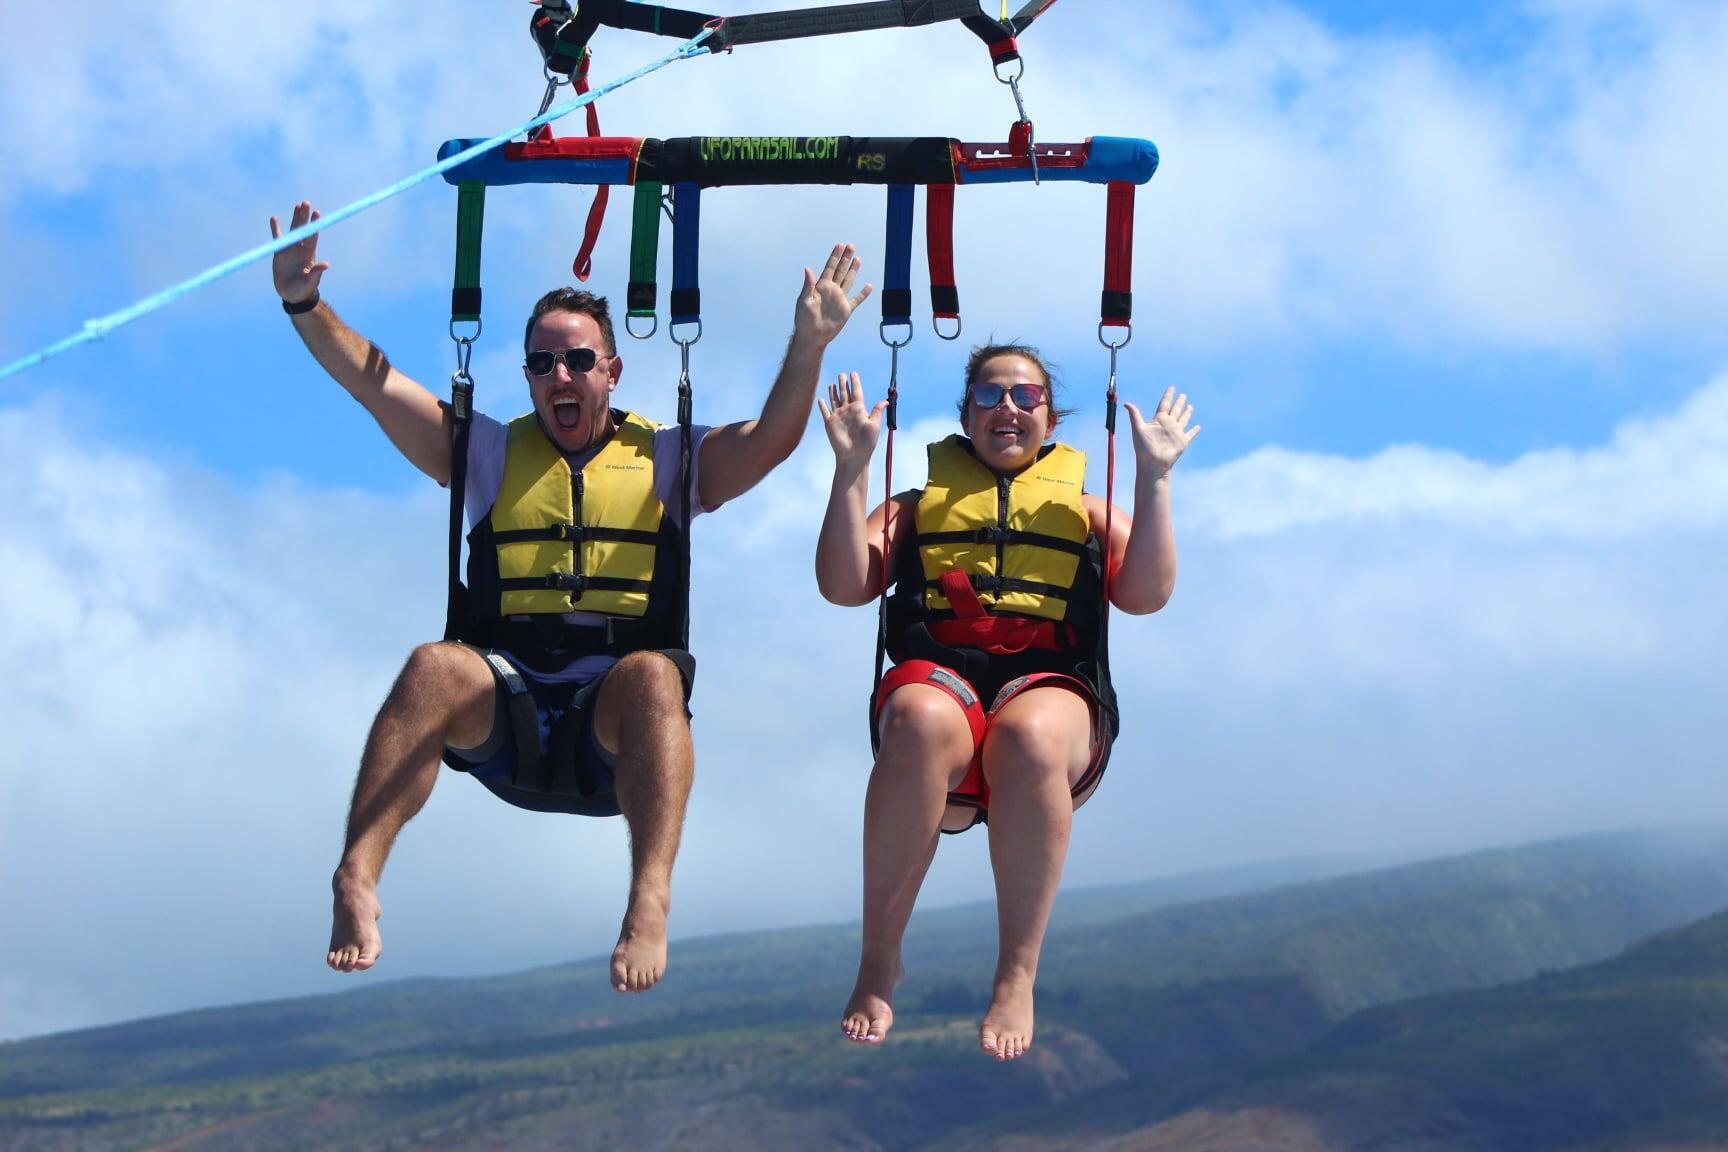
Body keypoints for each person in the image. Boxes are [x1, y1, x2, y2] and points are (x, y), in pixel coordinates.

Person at [269, 201, 871, 993]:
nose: (562, 376)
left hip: (611, 729)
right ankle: (355, 875)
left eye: (579, 361)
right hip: (506, 709)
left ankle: (648, 899)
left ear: (611, 372)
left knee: (658, 676)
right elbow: (372, 382)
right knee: (432, 665)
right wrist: (303, 304)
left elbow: (770, 443)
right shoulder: (485, 452)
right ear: (526, 375)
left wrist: (809, 344)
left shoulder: (666, 456)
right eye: (544, 363)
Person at [814, 343, 1199, 1059]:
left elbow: (1146, 595)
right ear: (965, 416)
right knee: (921, 719)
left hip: (1048, 697)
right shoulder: (920, 506)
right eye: (990, 397)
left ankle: (1017, 974)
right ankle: (878, 959)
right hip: (943, 697)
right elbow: (844, 584)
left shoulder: (1083, 508)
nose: (1008, 411)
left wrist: (1155, 479)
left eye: (1026, 398)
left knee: (1026, 735)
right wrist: (849, 472)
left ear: (1050, 421)